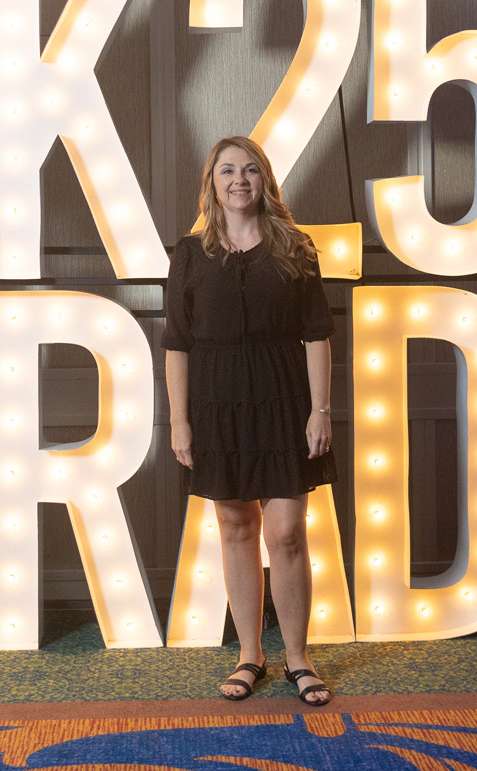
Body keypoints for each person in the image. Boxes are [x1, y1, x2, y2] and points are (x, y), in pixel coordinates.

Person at [163, 135, 336, 706]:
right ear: (212, 183)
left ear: (265, 181)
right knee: (236, 528)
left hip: (284, 400)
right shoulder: (189, 254)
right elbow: (177, 344)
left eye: (250, 170)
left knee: (286, 532)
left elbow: (317, 334)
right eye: (227, 170)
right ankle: (249, 656)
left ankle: (298, 659)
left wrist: (320, 410)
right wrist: (179, 421)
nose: (239, 179)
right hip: (216, 405)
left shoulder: (296, 247)